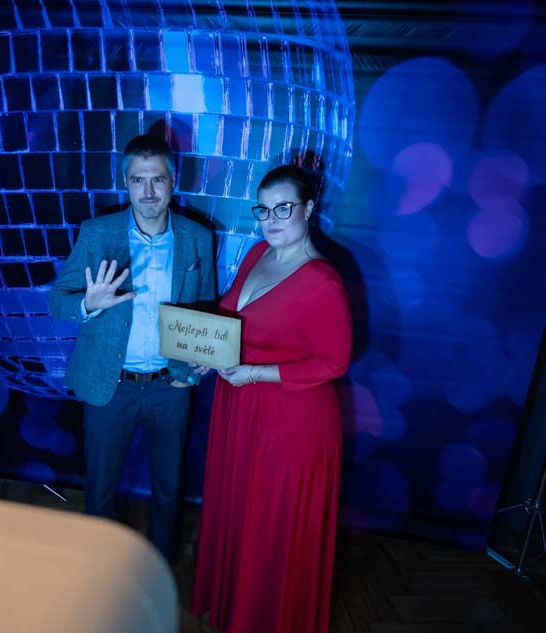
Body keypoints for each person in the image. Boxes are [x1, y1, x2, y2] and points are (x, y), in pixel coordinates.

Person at [190, 165, 351, 633]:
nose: (271, 220)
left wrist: (256, 372)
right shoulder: (258, 252)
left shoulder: (323, 281)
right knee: (243, 515)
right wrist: (205, 354)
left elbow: (335, 362)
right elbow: (229, 315)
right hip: (242, 407)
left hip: (291, 423)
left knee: (271, 527)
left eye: (283, 209)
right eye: (263, 210)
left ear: (309, 208)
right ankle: (237, 609)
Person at [48, 134, 215, 560]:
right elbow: (57, 301)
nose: (148, 191)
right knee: (101, 487)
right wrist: (88, 303)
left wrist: (199, 362)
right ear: (125, 182)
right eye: (138, 180)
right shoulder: (97, 233)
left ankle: (160, 565)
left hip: (170, 386)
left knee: (169, 487)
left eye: (157, 179)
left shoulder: (197, 237)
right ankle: (100, 566)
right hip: (110, 385)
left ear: (173, 180)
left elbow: (206, 307)